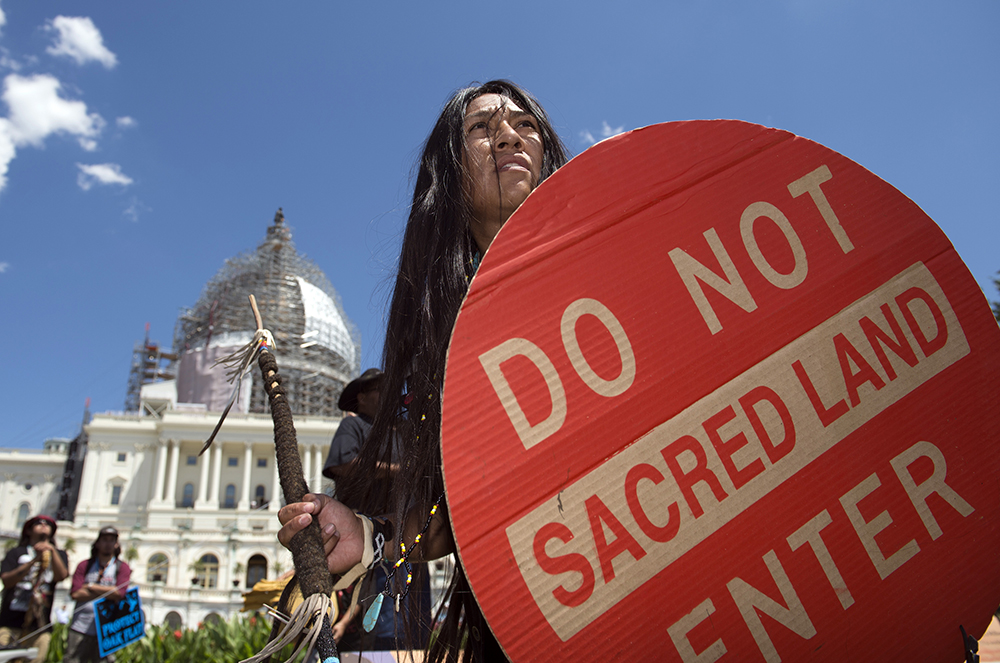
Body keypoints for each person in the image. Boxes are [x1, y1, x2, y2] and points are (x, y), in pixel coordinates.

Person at [279, 80, 569, 662]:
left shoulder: (617, 251)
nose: (508, 135)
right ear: (451, 171)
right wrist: (371, 539)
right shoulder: (446, 332)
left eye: (524, 123)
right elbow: (463, 507)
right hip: (545, 598)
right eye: (481, 129)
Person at [323, 368, 430, 651]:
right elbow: (342, 463)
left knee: (413, 621)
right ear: (362, 398)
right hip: (371, 533)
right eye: (380, 391)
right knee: (380, 622)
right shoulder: (354, 427)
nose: (388, 398)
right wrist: (395, 471)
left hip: (408, 532)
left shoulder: (399, 432)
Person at [0, 515, 70, 663]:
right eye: (38, 523)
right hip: (11, 622)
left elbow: (62, 575)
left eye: (48, 524)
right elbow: (7, 580)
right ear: (29, 531)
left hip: (40, 627)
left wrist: (52, 551)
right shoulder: (16, 553)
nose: (43, 525)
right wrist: (34, 561)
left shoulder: (59, 554)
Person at [64, 527, 132, 663]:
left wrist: (90, 586)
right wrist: (108, 591)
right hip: (80, 627)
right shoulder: (85, 565)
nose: (108, 544)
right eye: (104, 540)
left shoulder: (121, 567)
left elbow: (119, 593)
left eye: (112, 540)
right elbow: (76, 593)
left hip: (106, 630)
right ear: (98, 543)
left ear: (116, 544)